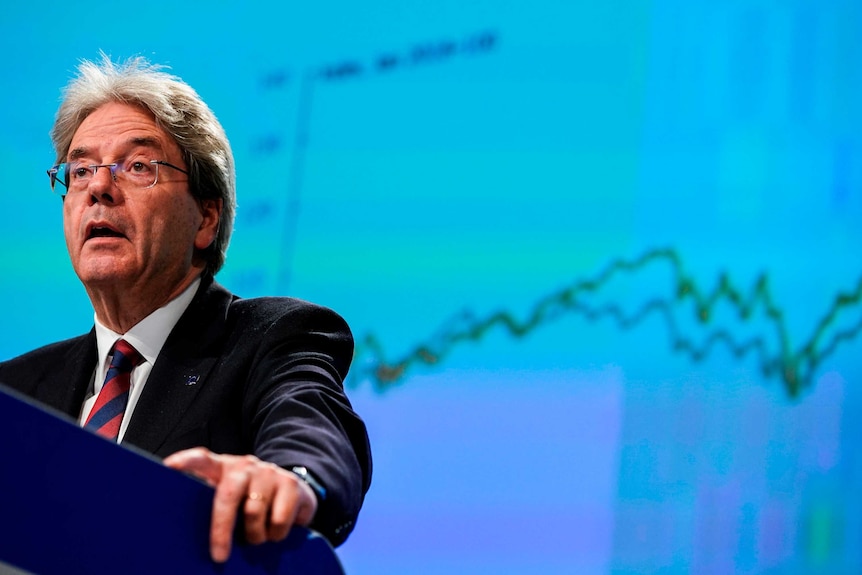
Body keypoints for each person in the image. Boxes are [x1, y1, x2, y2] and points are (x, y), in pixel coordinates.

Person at [0, 55, 372, 563]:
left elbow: (309, 421)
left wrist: (289, 478)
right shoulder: (15, 392)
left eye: (138, 166)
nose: (98, 188)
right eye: (80, 169)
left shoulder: (272, 337)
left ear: (206, 219)